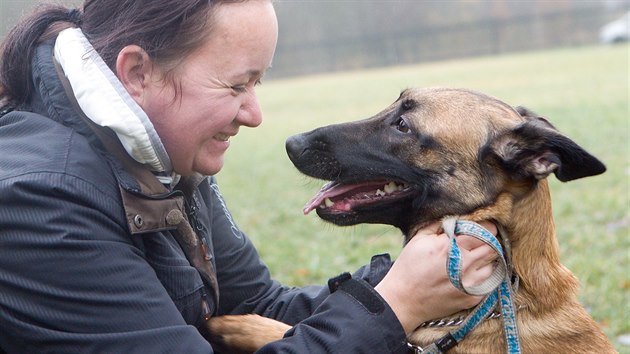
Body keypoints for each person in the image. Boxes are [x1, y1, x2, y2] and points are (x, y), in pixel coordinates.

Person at [0, 1, 498, 353]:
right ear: (136, 72)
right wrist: (395, 304)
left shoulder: (157, 157)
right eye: (236, 84)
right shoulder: (39, 199)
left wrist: (402, 277)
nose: (255, 114)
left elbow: (261, 304)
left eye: (257, 83)